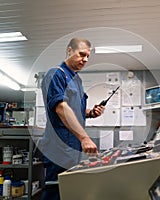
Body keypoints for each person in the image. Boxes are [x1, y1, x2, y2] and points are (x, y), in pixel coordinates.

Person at [40, 37, 105, 200]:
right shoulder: (56, 74)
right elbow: (60, 107)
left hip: (73, 149)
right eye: (82, 54)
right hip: (59, 148)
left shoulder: (77, 80)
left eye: (88, 56)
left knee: (68, 191)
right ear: (69, 51)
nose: (85, 59)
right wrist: (84, 137)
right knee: (55, 192)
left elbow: (74, 110)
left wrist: (90, 112)